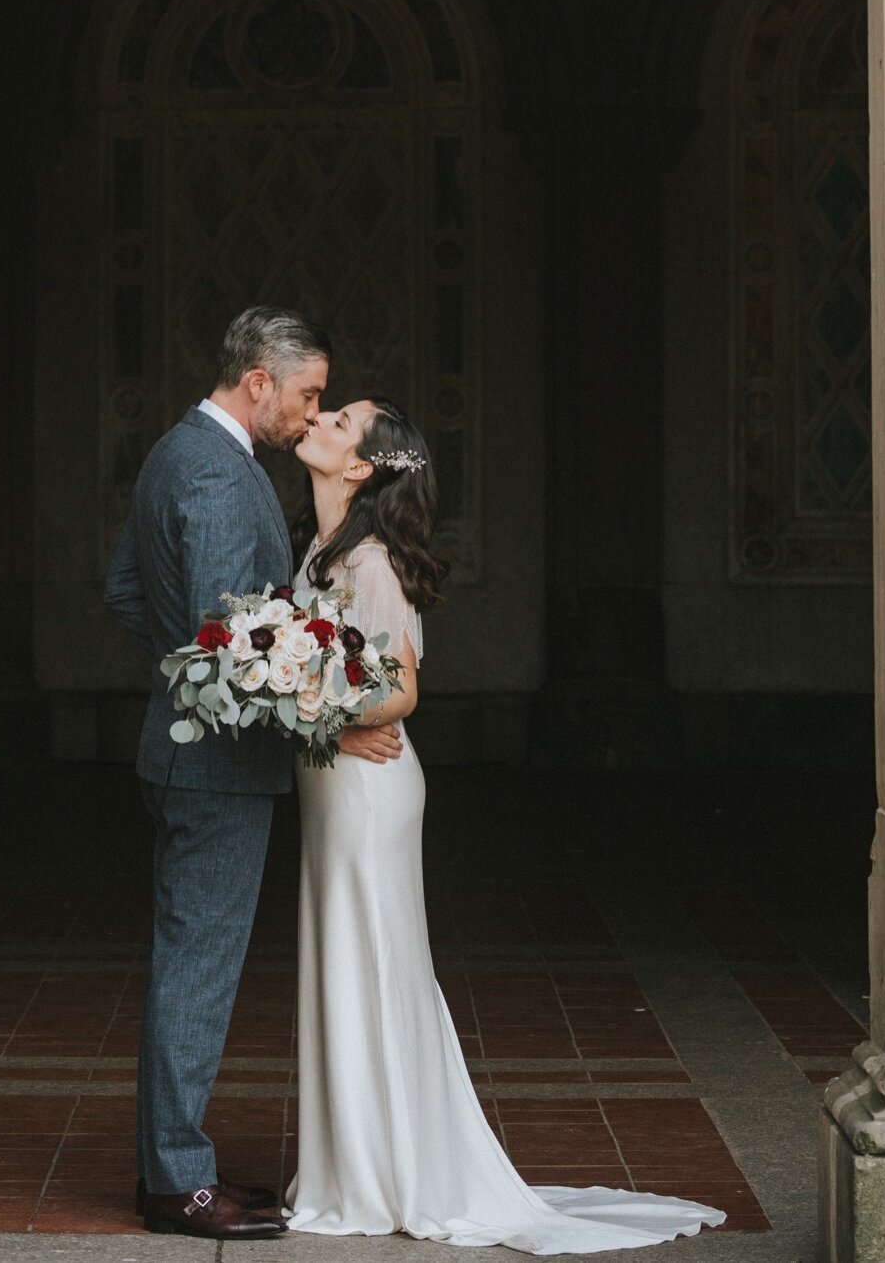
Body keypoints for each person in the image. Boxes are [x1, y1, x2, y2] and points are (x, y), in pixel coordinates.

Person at [285, 399, 727, 1254]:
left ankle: (386, 1174)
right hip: (331, 785)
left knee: (371, 961)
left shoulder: (371, 562)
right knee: (340, 956)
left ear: (361, 467)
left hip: (366, 788)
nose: (325, 418)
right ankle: (352, 1165)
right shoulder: (321, 549)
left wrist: (317, 715)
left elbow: (402, 691)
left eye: (340, 419)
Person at [104, 308, 400, 1240]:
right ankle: (178, 1184)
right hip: (217, 772)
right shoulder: (224, 477)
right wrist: (327, 731)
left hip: (182, 751)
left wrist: (180, 683)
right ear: (258, 381)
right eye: (308, 392)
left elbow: (127, 595)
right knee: (197, 968)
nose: (310, 412)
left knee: (188, 961)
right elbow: (232, 645)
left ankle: (175, 1162)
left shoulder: (171, 453)